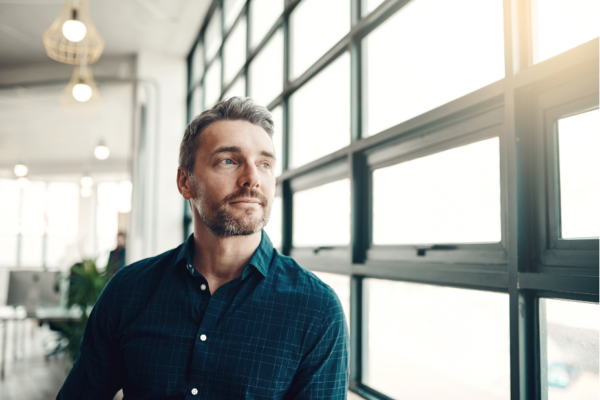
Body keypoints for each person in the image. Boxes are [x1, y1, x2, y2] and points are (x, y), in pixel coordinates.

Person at [57, 97, 349, 399]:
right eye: (229, 161)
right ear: (185, 182)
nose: (252, 179)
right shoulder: (128, 291)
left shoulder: (317, 310)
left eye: (264, 164)